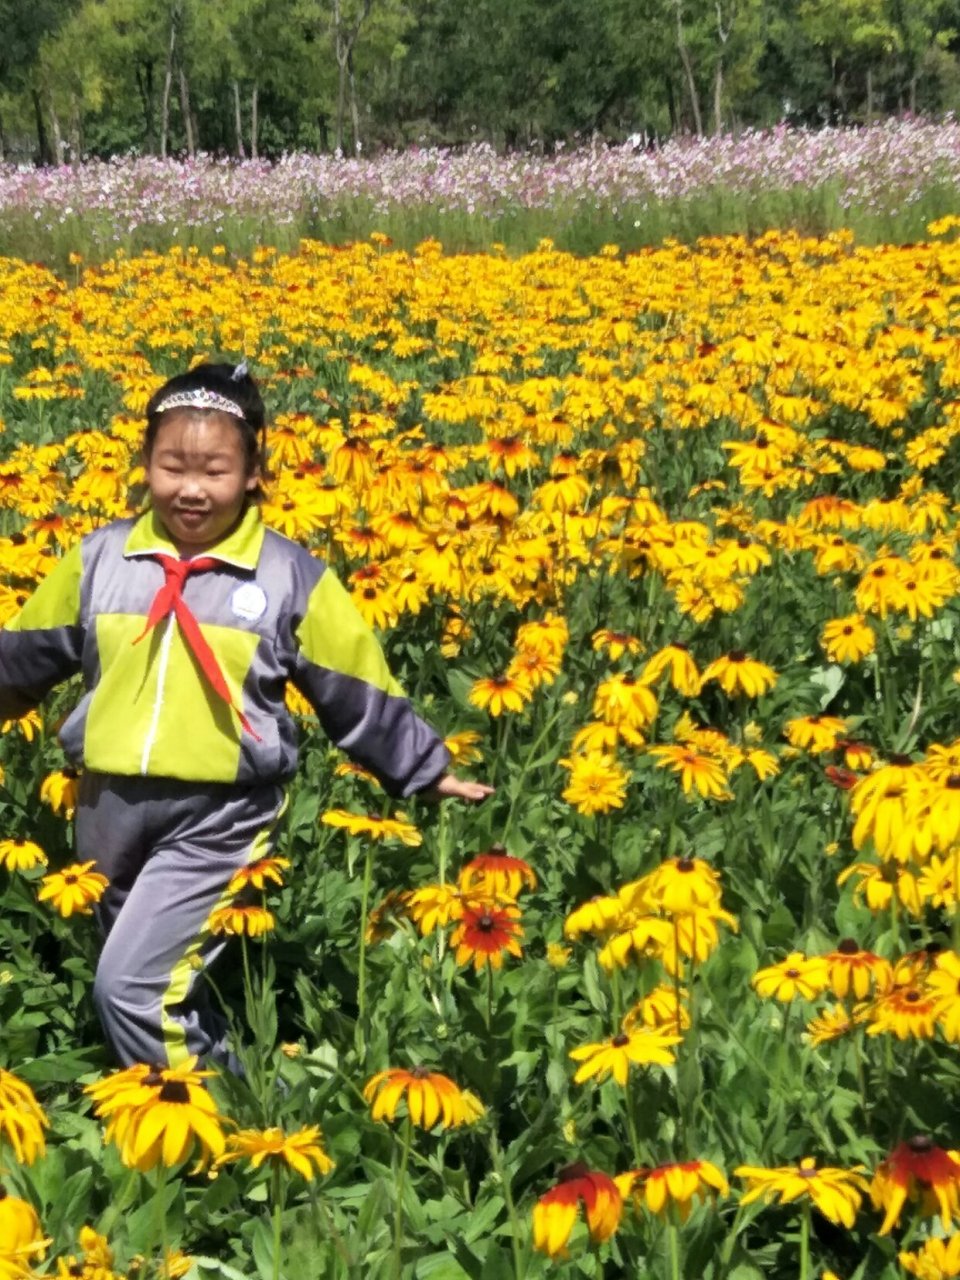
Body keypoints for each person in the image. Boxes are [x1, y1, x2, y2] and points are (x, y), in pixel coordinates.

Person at [0, 361, 492, 1071]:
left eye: (215, 470)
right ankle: (246, 1103)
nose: (191, 488)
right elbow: (21, 657)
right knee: (163, 980)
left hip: (219, 816)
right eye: (172, 466)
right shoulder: (100, 560)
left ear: (254, 472)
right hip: (105, 807)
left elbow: (352, 680)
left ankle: (194, 1131)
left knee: (130, 989)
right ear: (144, 465)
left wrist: (421, 767)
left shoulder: (288, 576)